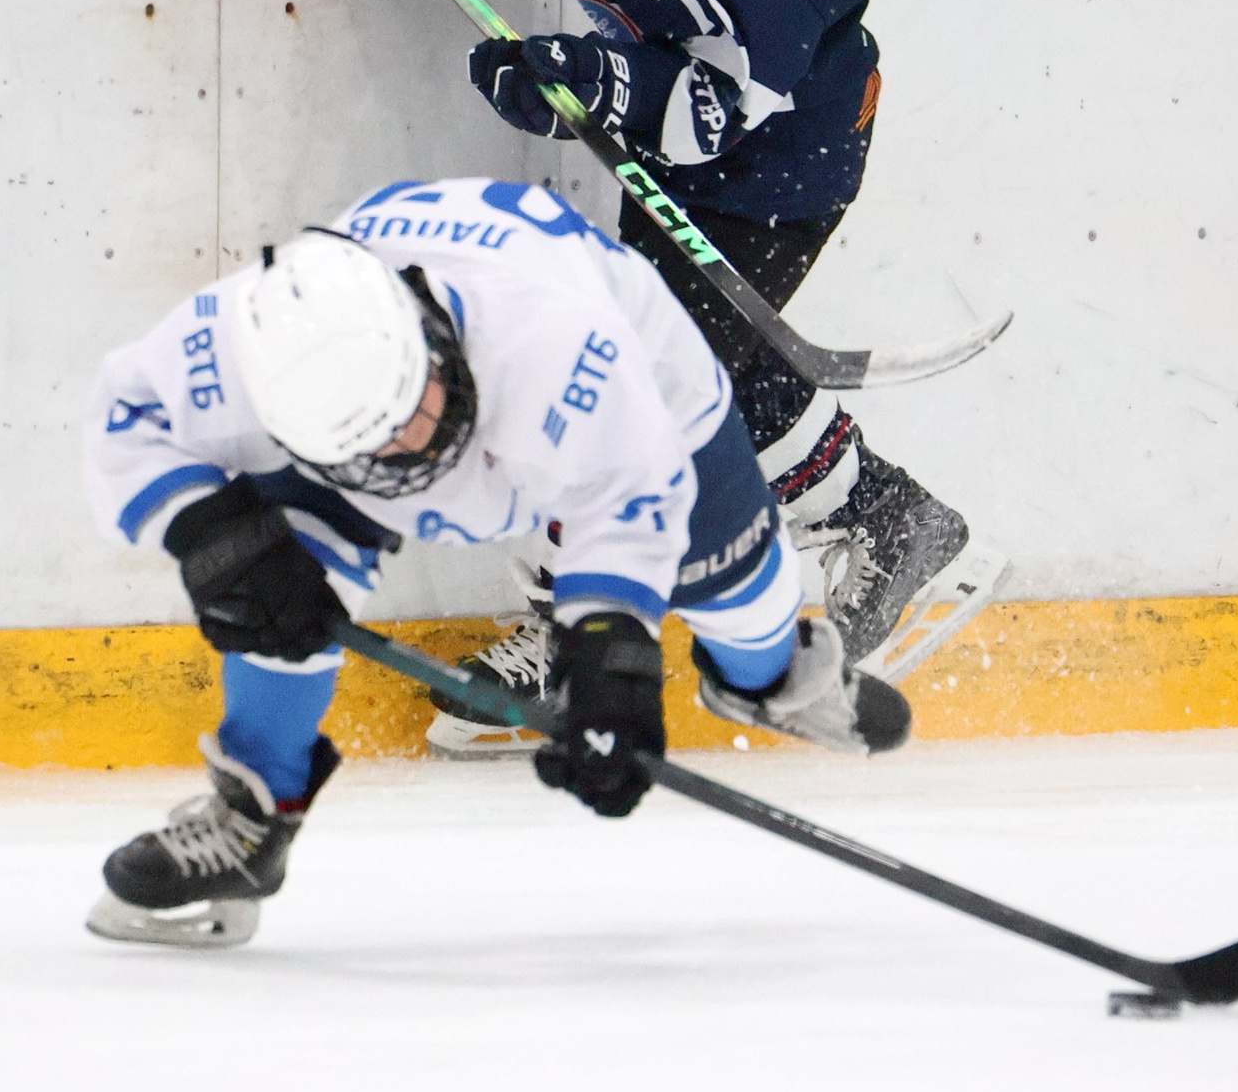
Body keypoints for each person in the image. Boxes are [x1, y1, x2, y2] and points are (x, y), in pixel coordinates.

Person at [328, 0, 992, 755]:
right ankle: (874, 519)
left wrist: (593, 82)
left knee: (644, 373)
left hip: (782, 149)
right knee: (647, 362)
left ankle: (626, 614)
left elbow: (734, 101)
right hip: (675, 109)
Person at [80, 176, 909, 948]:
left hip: (646, 392)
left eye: (410, 418)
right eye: (376, 446)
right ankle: (252, 813)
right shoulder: (240, 344)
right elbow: (125, 412)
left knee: (731, 581)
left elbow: (624, 499)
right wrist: (217, 539)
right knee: (271, 580)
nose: (407, 455)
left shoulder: (557, 347)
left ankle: (775, 677)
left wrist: (609, 665)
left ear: (428, 330)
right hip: (364, 424)